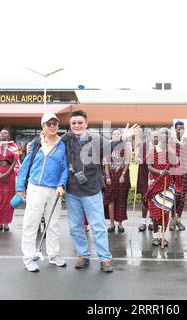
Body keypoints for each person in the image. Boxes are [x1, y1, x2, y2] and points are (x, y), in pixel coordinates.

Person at [60, 110, 140, 272]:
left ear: (86, 123)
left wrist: (123, 137)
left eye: (80, 122)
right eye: (73, 123)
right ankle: (83, 255)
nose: (77, 125)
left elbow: (110, 146)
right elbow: (50, 145)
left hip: (91, 190)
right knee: (75, 226)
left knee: (97, 226)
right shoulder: (66, 140)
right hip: (72, 190)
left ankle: (105, 258)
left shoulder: (96, 139)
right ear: (70, 125)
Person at [16, 113, 68, 272]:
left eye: (55, 123)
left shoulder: (63, 145)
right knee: (31, 223)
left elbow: (65, 168)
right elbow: (26, 165)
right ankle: (29, 257)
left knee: (53, 224)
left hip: (54, 190)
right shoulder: (36, 143)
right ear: (43, 126)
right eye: (48, 123)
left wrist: (62, 184)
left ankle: (53, 254)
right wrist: (19, 186)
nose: (52, 126)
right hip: (35, 188)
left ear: (58, 125)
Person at [146, 128, 174, 246]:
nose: (165, 135)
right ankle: (155, 236)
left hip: (168, 184)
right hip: (155, 183)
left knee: (165, 211)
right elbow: (149, 167)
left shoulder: (172, 152)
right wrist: (160, 172)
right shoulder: (152, 150)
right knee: (155, 211)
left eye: (167, 133)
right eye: (162, 133)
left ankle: (163, 236)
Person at [103, 129, 131, 233]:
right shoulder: (108, 146)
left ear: (120, 135)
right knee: (110, 199)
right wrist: (107, 176)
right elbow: (106, 162)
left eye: (118, 134)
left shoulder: (125, 146)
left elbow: (128, 161)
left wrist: (123, 174)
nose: (115, 135)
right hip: (111, 174)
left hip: (122, 174)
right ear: (111, 136)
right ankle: (111, 223)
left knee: (121, 199)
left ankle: (120, 223)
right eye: (114, 134)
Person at [169, 121, 187, 231]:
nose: (181, 130)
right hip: (174, 172)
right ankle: (172, 220)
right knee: (174, 197)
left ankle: (178, 219)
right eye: (179, 128)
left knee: (182, 197)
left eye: (183, 128)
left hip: (185, 172)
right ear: (175, 129)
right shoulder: (170, 141)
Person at [136, 135, 152, 231]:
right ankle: (143, 222)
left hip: (156, 177)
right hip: (144, 175)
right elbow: (139, 158)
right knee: (145, 199)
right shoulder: (143, 146)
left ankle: (152, 222)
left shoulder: (159, 147)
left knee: (154, 201)